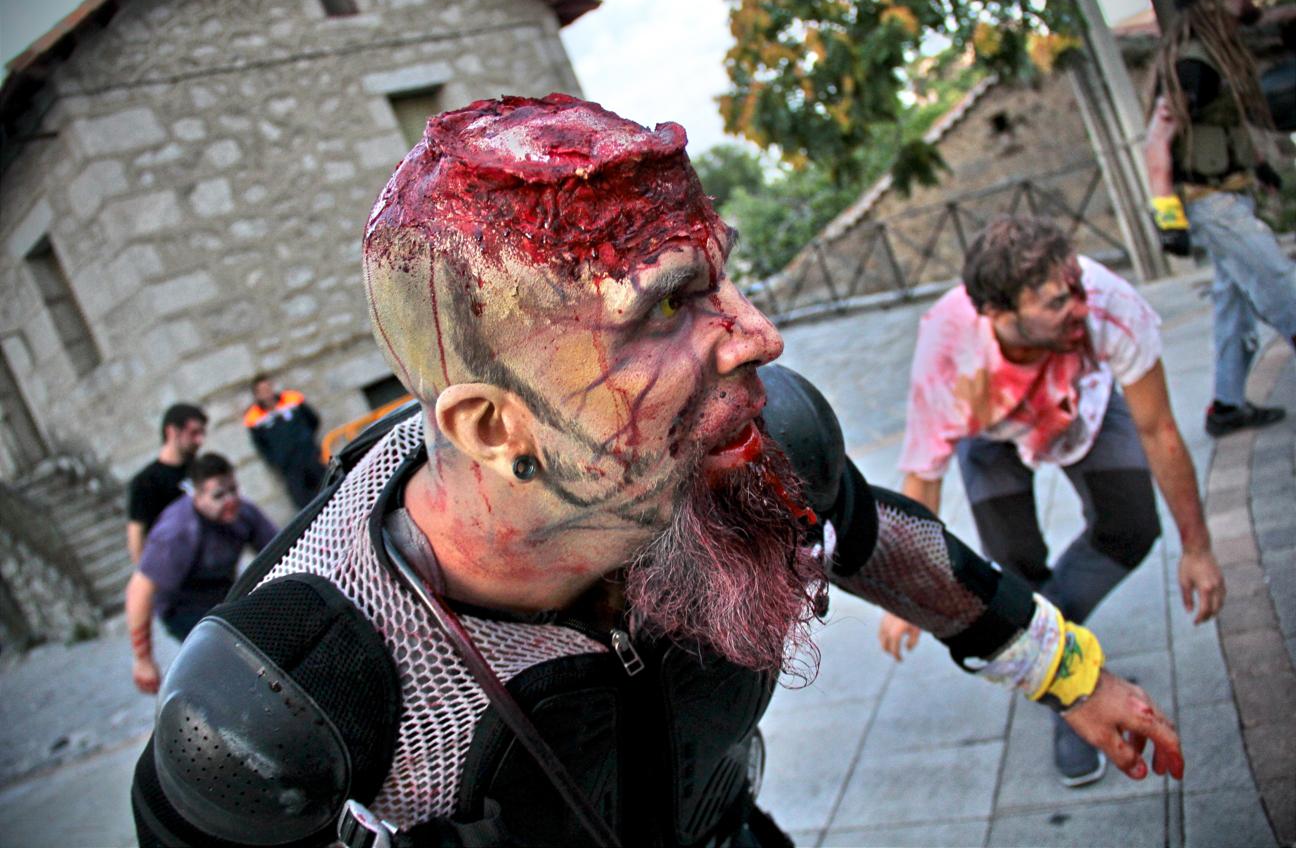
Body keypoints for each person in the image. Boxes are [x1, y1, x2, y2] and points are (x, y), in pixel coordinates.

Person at [131, 96, 1185, 848]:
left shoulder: (758, 442)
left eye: (724, 278)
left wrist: (1067, 672)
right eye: (669, 306)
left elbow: (872, 538)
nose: (760, 335)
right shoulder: (278, 701)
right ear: (493, 425)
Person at [877, 214, 1225, 788]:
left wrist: (1199, 548)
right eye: (1056, 302)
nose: (1079, 307)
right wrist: (900, 591)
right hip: (991, 430)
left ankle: (1045, 645)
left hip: (1081, 411)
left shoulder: (1107, 302)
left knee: (1131, 529)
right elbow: (923, 480)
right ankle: (1073, 691)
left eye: (1075, 287)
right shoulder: (948, 347)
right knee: (1015, 564)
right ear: (997, 313)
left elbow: (1159, 428)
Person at [1145, 0, 1296, 437]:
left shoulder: (1216, 51)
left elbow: (1223, 125)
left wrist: (1259, 165)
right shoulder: (1193, 64)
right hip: (1211, 203)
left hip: (1229, 192)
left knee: (1233, 305)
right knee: (1279, 283)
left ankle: (1226, 405)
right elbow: (1157, 142)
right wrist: (1168, 220)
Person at [124, 453, 277, 694]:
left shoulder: (243, 513)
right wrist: (143, 659)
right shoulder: (177, 532)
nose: (230, 500)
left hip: (222, 593)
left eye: (233, 490)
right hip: (182, 608)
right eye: (218, 495)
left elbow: (279, 548)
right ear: (197, 496)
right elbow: (139, 591)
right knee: (232, 660)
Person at [125, 403, 207, 565]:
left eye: (202, 433)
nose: (199, 440)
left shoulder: (200, 469)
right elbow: (136, 540)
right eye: (193, 433)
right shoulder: (146, 481)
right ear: (172, 432)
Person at [244, 373, 327, 508]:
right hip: (289, 467)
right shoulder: (254, 417)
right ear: (257, 395)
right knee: (305, 504)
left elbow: (313, 420)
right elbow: (261, 447)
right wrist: (277, 461)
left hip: (310, 456)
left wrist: (307, 440)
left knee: (327, 486)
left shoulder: (291, 399)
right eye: (262, 391)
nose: (267, 393)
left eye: (268, 388)